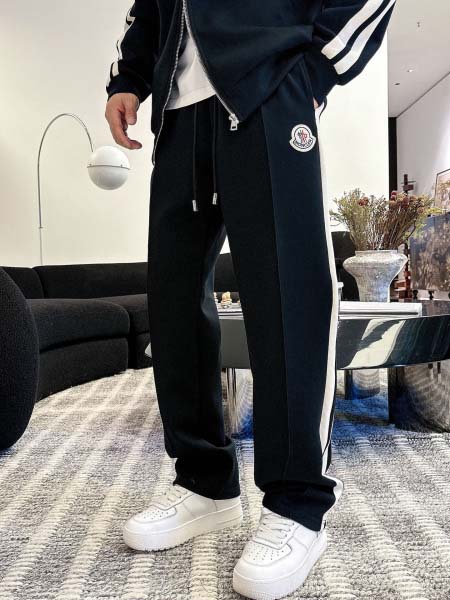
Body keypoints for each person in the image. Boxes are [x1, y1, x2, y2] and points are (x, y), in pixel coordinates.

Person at [105, 2, 396, 598]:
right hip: (178, 113)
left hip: (267, 84)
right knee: (173, 300)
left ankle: (297, 500)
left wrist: (315, 68)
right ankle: (204, 481)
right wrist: (129, 77)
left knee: (288, 291)